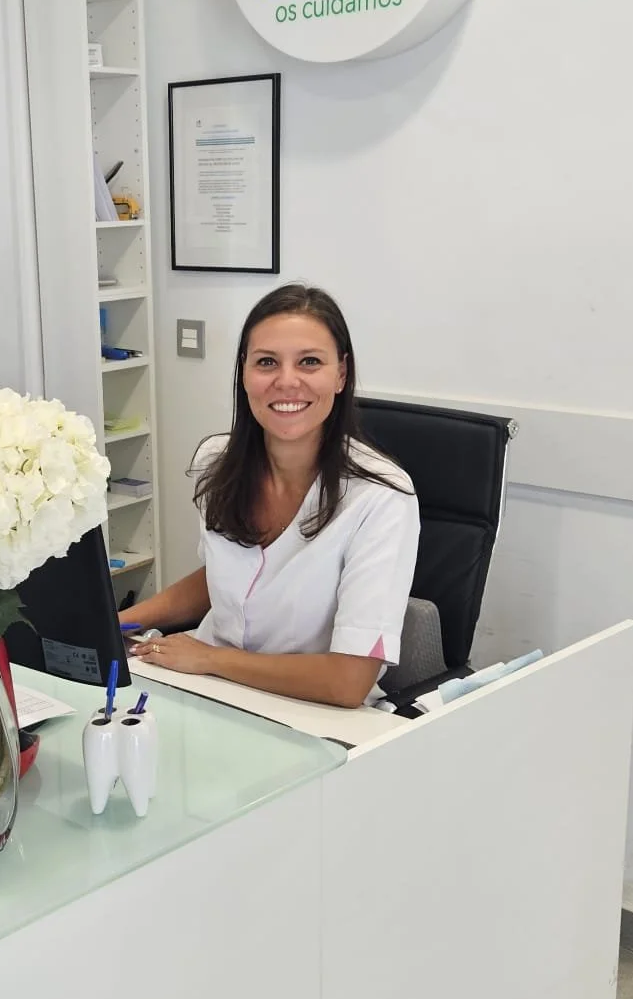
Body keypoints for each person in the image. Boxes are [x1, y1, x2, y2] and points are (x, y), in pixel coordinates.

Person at [127, 284, 420, 709]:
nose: (286, 381)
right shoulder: (216, 463)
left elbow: (347, 681)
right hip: (210, 689)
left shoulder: (381, 497)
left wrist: (211, 659)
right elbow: (225, 578)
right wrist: (121, 621)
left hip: (314, 712)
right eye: (267, 362)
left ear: (340, 374)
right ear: (244, 372)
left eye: (310, 362)